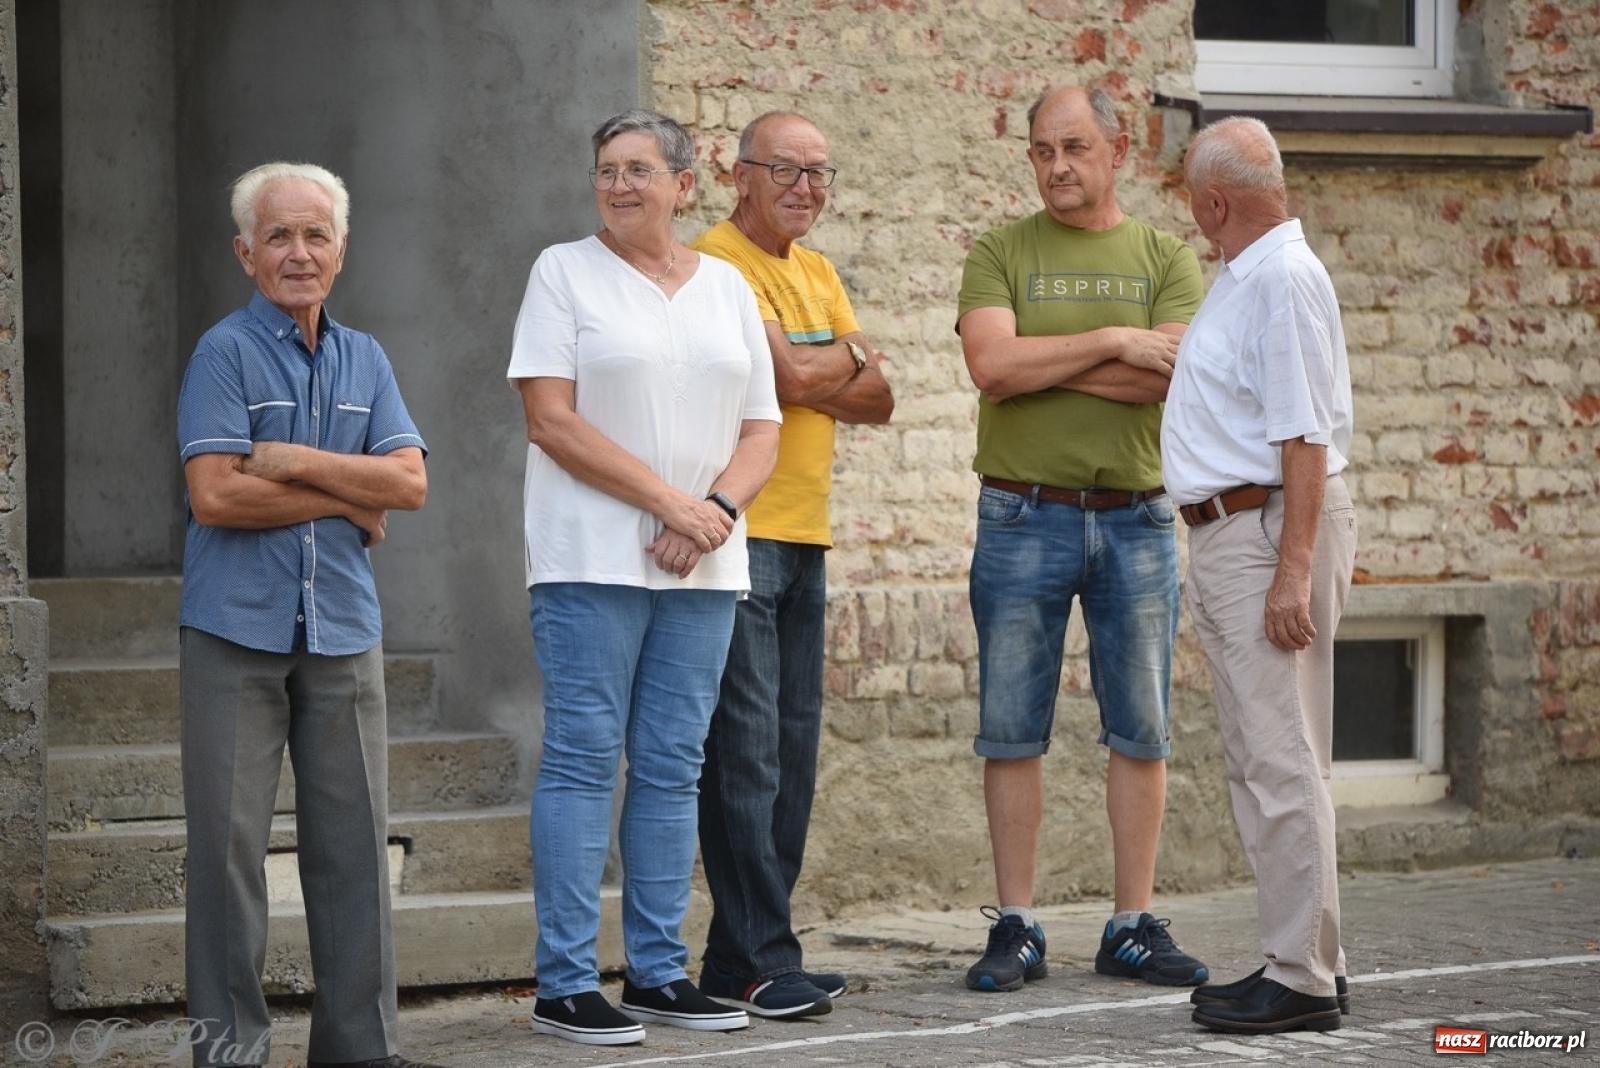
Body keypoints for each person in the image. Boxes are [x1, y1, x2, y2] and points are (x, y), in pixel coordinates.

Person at [508, 109, 782, 1047]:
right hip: (590, 558)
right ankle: (564, 983)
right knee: (586, 759)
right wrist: (675, 505)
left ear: (682, 182)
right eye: (605, 171)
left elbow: (762, 429)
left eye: (637, 170)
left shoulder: (729, 287)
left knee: (671, 768)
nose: (619, 185)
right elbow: (552, 419)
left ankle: (659, 975)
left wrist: (714, 517)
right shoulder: (562, 272)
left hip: (704, 565)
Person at [177, 162, 437, 1068]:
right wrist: (347, 499)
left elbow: (409, 483)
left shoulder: (368, 358)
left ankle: (360, 1050)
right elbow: (215, 497)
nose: (298, 252)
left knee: (356, 852)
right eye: (279, 237)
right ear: (245, 253)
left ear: (342, 249)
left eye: (315, 234)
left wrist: (288, 459)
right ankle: (230, 1053)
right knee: (227, 857)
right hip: (232, 630)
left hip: (343, 630)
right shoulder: (222, 353)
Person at [956, 85, 1211, 993]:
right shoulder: (1001, 251)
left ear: (1117, 149)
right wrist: (1112, 339)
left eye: (1073, 147)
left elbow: (1173, 377)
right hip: (1021, 513)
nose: (1056, 166)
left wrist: (1043, 367)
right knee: (1010, 727)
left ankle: (1130, 924)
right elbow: (991, 365)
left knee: (1141, 727)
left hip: (1136, 519)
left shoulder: (1165, 256)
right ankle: (1016, 925)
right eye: (1039, 150)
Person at [690, 111, 894, 1019]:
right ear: (739, 176)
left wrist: (832, 366)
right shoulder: (719, 260)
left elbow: (879, 400)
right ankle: (763, 957)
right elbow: (794, 385)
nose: (805, 188)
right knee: (745, 756)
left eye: (820, 173)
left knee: (793, 753)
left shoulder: (816, 271)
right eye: (786, 170)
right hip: (739, 533)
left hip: (806, 535)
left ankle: (741, 959)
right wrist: (846, 356)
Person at [1164, 116, 1357, 1035]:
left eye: (1194, 208)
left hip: (1264, 528)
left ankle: (1303, 978)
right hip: (1241, 528)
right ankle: (1305, 957)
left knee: (1280, 760)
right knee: (1273, 757)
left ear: (1215, 202)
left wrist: (1291, 574)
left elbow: (1303, 436)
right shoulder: (1253, 275)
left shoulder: (1279, 278)